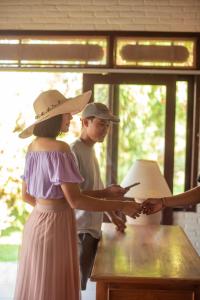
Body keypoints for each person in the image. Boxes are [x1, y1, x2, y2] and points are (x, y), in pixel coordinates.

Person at [14, 89, 142, 300]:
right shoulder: (61, 149)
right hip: (56, 227)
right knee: (54, 289)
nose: (71, 116)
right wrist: (120, 204)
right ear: (54, 118)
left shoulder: (32, 148)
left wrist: (48, 207)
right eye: (66, 113)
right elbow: (75, 200)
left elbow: (26, 196)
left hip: (35, 226)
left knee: (40, 287)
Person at [70, 102, 129, 290]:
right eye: (101, 124)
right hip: (81, 231)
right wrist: (107, 193)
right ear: (85, 122)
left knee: (82, 286)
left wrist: (112, 217)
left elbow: (97, 187)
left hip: (93, 230)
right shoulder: (73, 151)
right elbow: (74, 195)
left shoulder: (91, 150)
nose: (106, 129)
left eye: (108, 125)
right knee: (75, 288)